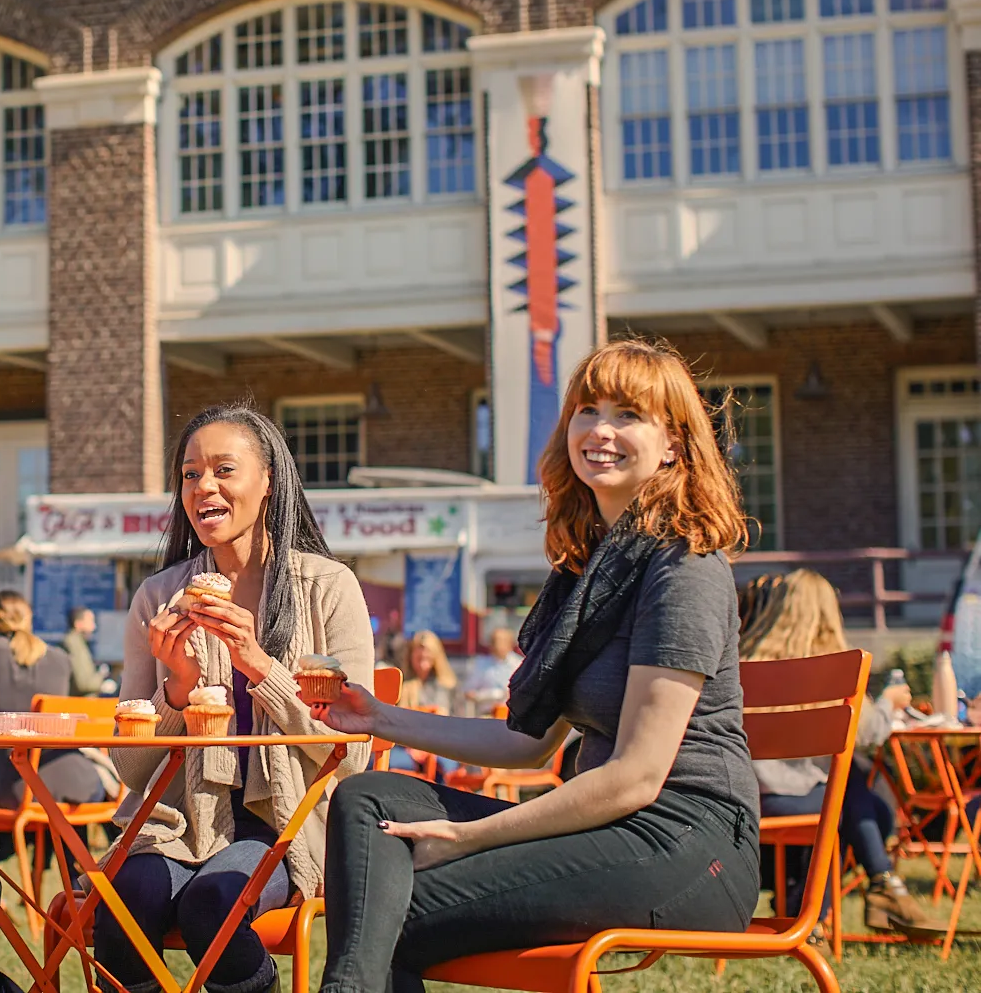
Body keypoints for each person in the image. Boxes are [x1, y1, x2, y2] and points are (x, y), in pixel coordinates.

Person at [310, 337, 761, 990]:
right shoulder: (587, 569)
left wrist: (474, 837)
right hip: (608, 823)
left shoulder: (682, 564)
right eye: (587, 409)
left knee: (391, 914)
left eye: (628, 415)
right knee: (368, 794)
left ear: (673, 444)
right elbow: (525, 742)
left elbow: (637, 776)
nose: (600, 430)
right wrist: (379, 717)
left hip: (688, 840)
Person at [104, 403, 374, 993]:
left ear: (269, 482)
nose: (205, 487)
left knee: (213, 907)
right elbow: (130, 771)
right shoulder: (159, 597)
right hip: (180, 823)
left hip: (287, 825)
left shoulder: (327, 587)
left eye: (224, 470)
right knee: (119, 908)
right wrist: (175, 688)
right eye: (191, 474)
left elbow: (352, 757)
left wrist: (258, 665)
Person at [738, 569, 937, 936]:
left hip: (746, 799)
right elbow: (866, 734)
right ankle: (839, 902)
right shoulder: (830, 668)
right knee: (858, 802)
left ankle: (813, 908)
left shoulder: (742, 663)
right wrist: (889, 706)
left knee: (853, 792)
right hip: (794, 800)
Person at [0, 589, 107, 863]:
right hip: (79, 784)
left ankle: (20, 871)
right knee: (58, 803)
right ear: (28, 619)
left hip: (19, 788)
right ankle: (78, 881)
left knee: (28, 799)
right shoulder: (59, 658)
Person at [388, 632, 458, 775]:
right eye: (419, 657)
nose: (423, 663)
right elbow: (393, 724)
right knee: (392, 763)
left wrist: (428, 750)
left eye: (427, 658)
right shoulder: (401, 686)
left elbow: (455, 724)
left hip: (441, 746)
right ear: (411, 657)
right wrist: (412, 748)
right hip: (406, 747)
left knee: (444, 765)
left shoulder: (447, 686)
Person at [461, 625, 521, 715]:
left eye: (502, 641)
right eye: (495, 641)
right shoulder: (480, 664)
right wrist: (485, 695)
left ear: (511, 644)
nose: (498, 645)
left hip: (512, 715)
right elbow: (467, 692)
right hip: (487, 714)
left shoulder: (519, 664)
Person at [61, 606, 106, 698]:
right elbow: (84, 683)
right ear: (78, 623)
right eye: (90, 621)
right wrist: (102, 679)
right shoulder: (73, 644)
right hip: (81, 703)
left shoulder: (78, 642)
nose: (93, 627)